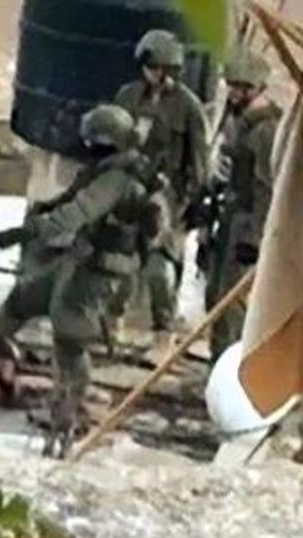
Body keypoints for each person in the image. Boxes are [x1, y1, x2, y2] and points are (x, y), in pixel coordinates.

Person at [0, 104, 162, 458]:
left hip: (98, 272)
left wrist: (29, 232)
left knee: (69, 342)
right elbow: (68, 201)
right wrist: (41, 212)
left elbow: (78, 212)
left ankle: (65, 421)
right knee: (24, 298)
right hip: (80, 259)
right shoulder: (107, 170)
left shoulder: (118, 179)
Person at [109, 29, 211, 339]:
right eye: (156, 69)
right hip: (128, 190)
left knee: (158, 268)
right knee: (120, 260)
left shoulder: (188, 107)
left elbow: (198, 158)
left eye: (168, 71)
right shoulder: (127, 97)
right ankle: (111, 320)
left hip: (167, 197)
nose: (161, 77)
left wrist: (192, 200)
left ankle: (162, 324)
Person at [202, 48, 281, 360]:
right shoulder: (239, 122)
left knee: (231, 305)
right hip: (229, 217)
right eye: (231, 87)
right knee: (215, 298)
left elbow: (266, 190)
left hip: (248, 224)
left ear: (256, 89)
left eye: (241, 88)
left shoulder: (264, 130)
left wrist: (255, 240)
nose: (234, 94)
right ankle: (217, 363)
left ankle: (227, 370)